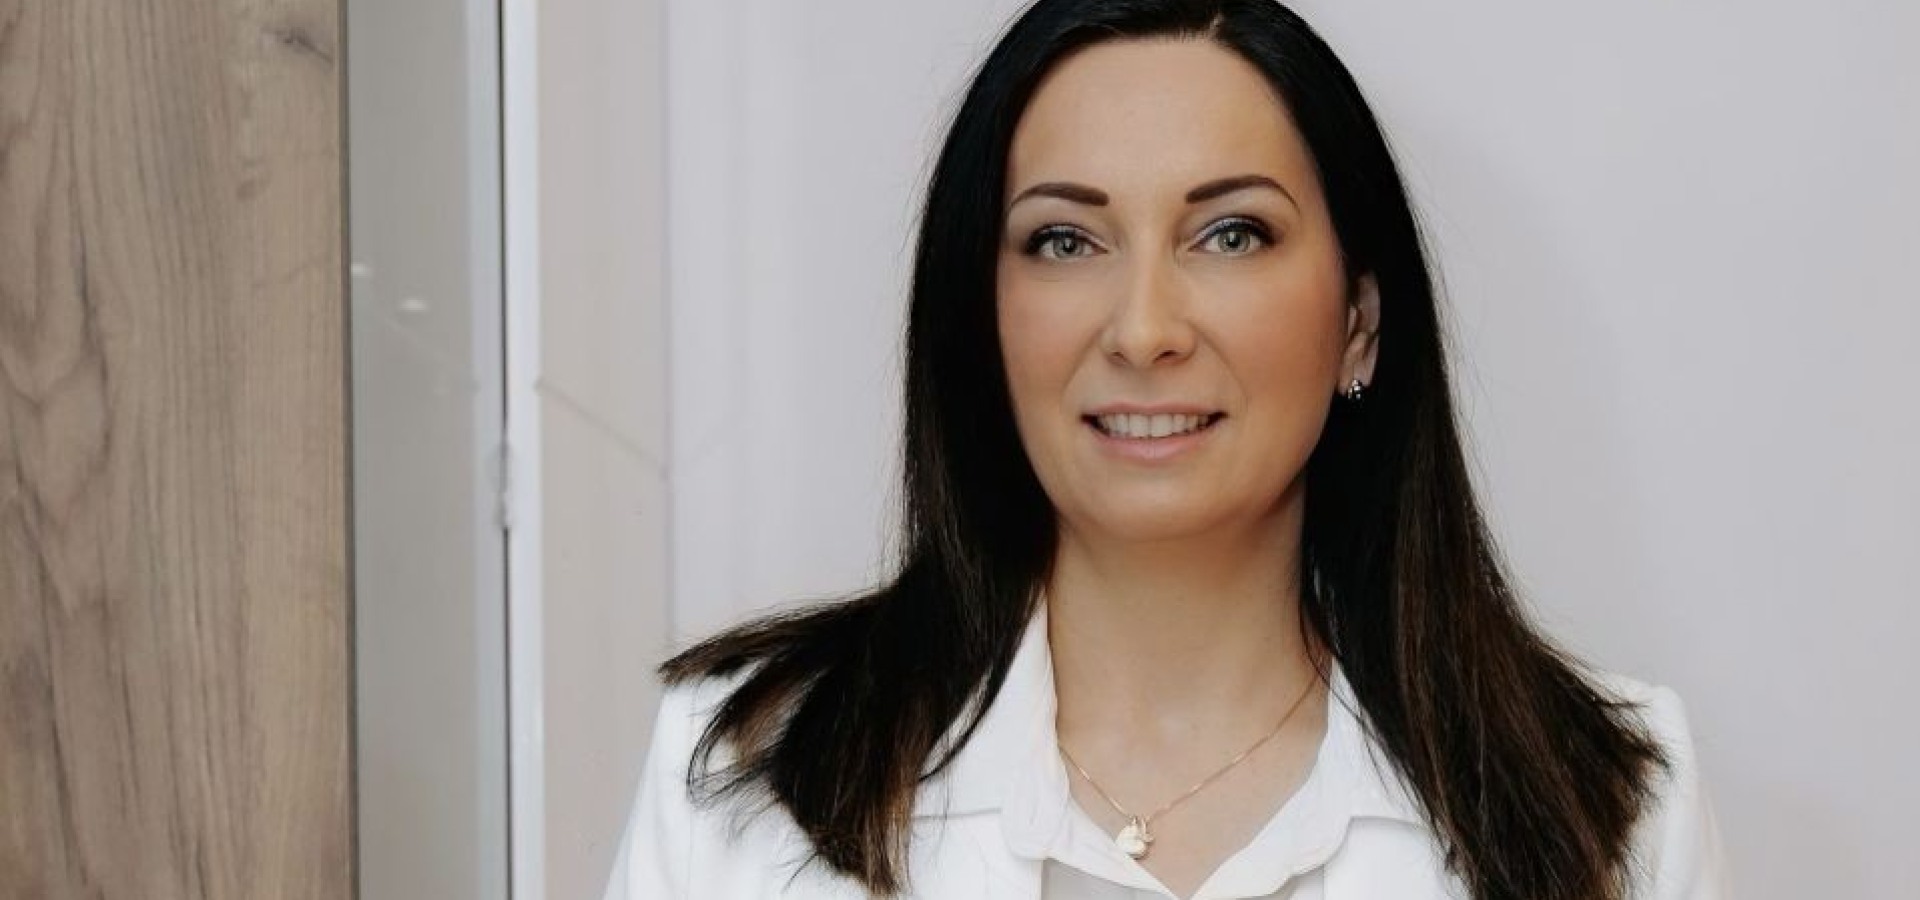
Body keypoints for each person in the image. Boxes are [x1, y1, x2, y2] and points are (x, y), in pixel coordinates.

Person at [605, 1, 1729, 897]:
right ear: (983, 319)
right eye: (1065, 240)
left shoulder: (1612, 798)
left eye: (1230, 233)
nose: (1143, 331)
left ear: (1359, 323)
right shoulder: (747, 773)